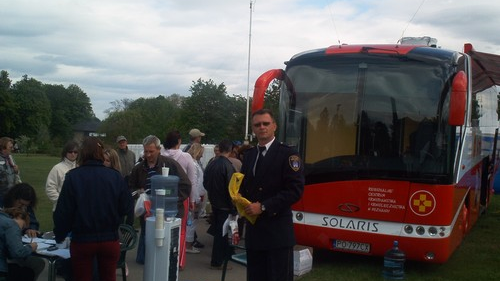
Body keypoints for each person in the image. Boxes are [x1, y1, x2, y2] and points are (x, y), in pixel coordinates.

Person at [53, 137, 134, 281]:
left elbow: (63, 212)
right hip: (109, 238)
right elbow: (126, 206)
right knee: (108, 277)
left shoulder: (73, 177)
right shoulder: (114, 176)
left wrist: (60, 234)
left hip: (83, 240)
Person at [240, 109, 304, 281]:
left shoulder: (288, 154)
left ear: (274, 126)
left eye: (266, 123)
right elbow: (244, 188)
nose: (262, 127)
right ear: (253, 129)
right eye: (257, 125)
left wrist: (263, 206)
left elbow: (295, 191)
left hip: (277, 234)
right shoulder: (249, 155)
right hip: (255, 233)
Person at [129, 135, 191, 265]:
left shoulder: (171, 164)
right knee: (148, 240)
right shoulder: (138, 168)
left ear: (159, 149)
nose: (148, 154)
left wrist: (172, 200)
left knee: (166, 244)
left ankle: (167, 265)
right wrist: (139, 195)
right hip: (148, 213)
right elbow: (130, 188)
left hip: (169, 214)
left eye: (151, 151)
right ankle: (147, 262)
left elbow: (186, 185)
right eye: (146, 151)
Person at [162, 130, 199, 263]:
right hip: (181, 196)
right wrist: (192, 199)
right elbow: (191, 181)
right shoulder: (186, 157)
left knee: (162, 226)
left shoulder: (161, 155)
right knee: (181, 229)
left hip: (163, 196)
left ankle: (163, 257)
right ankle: (178, 260)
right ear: (179, 142)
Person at [203, 139, 237, 270]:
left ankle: (219, 259)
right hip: (225, 205)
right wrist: (233, 207)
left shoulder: (212, 163)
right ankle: (217, 261)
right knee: (222, 235)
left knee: (219, 232)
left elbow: (205, 182)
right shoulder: (228, 165)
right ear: (230, 150)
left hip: (215, 202)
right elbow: (231, 189)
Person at [2, 183, 45, 281]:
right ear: (14, 198)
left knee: (38, 263)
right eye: (20, 204)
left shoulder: (25, 207)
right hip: (7, 251)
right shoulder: (3, 204)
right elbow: (17, 252)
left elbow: (33, 222)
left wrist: (30, 229)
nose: (22, 208)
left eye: (25, 206)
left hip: (17, 245)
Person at [0, 207, 38, 281]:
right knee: (28, 273)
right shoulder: (11, 225)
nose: (20, 230)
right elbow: (18, 252)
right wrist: (31, 247)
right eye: (23, 226)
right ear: (19, 216)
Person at [45, 141, 79, 212]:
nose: (73, 154)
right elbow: (50, 188)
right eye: (70, 151)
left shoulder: (80, 168)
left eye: (75, 152)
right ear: (65, 152)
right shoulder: (57, 168)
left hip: (78, 210)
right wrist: (62, 201)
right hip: (61, 209)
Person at [186, 143, 206, 253]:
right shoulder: (194, 165)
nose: (202, 156)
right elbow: (195, 183)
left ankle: (188, 243)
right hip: (195, 197)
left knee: (191, 221)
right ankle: (188, 245)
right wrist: (197, 198)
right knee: (192, 222)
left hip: (196, 196)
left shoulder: (193, 163)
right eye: (201, 153)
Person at [0, 137, 21, 207]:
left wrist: (17, 170)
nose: (12, 149)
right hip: (2, 194)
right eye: (10, 147)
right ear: (3, 147)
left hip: (11, 193)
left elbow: (15, 174)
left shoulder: (10, 158)